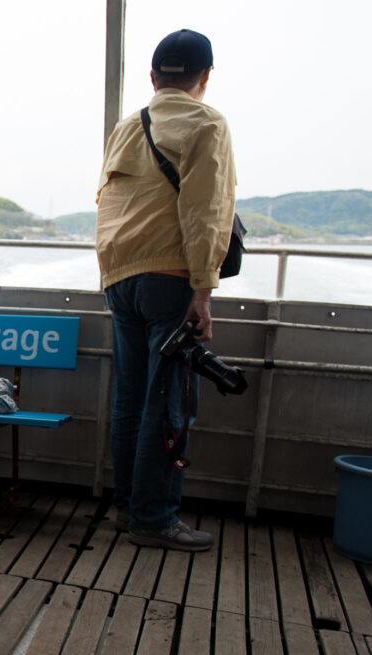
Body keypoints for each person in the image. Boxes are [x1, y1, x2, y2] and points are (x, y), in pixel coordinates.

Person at [95, 29, 237, 551]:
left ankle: (130, 507)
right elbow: (206, 211)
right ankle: (154, 519)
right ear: (205, 78)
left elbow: (107, 201)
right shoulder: (207, 122)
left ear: (154, 78)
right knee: (169, 403)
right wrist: (203, 289)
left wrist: (114, 272)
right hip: (170, 279)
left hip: (119, 278)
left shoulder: (127, 126)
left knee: (131, 400)